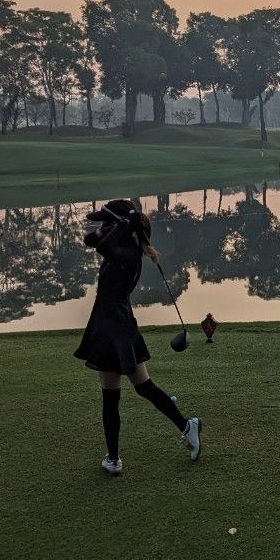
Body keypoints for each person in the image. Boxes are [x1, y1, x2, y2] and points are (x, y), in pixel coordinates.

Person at [74, 198, 202, 476]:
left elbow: (103, 245)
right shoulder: (121, 246)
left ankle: (114, 458)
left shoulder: (127, 253)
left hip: (114, 328)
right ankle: (186, 426)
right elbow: (90, 240)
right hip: (113, 325)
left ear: (119, 226)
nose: (103, 228)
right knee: (140, 389)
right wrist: (117, 225)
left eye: (107, 223)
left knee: (116, 396)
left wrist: (121, 226)